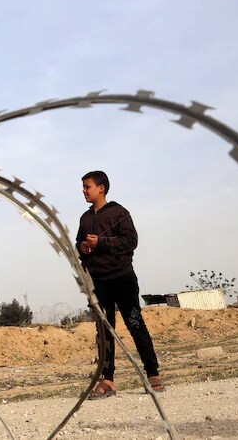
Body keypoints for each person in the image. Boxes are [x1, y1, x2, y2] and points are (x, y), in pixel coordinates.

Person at [76, 170, 164, 398]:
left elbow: (131, 241)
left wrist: (102, 242)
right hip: (99, 284)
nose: (84, 191)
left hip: (122, 279)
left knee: (135, 324)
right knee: (104, 331)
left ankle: (153, 374)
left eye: (87, 187)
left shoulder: (118, 212)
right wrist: (83, 248)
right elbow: (78, 244)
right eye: (83, 187)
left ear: (101, 188)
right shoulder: (85, 219)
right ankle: (108, 381)